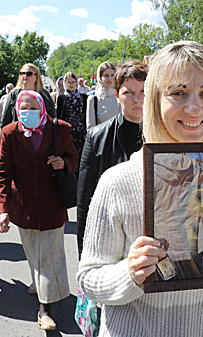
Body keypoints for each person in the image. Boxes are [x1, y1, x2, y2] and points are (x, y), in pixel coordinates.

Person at [77, 41, 203, 337]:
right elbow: (90, 278)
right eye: (178, 93)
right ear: (155, 100)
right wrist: (129, 274)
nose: (194, 108)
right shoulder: (118, 182)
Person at [0, 90, 78, 330]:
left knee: (49, 256)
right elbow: (2, 175)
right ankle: (38, 281)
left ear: (42, 107)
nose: (27, 112)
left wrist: (65, 163)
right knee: (34, 252)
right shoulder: (10, 133)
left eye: (33, 107)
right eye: (24, 108)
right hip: (24, 206)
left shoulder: (59, 128)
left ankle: (45, 310)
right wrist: (2, 209)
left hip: (53, 204)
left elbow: (73, 156)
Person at [77, 60, 146, 258]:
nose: (137, 99)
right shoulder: (97, 138)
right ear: (117, 96)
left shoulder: (166, 138)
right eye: (128, 92)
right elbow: (84, 202)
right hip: (110, 240)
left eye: (142, 91)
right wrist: (85, 259)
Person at [1, 63, 55, 129]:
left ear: (36, 77)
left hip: (41, 134)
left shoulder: (44, 94)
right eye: (22, 73)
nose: (25, 76)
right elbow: (5, 120)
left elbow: (53, 117)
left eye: (29, 74)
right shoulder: (14, 94)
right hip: (18, 134)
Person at [56, 72, 88, 161]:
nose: (71, 84)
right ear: (65, 83)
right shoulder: (62, 98)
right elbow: (59, 116)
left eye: (73, 82)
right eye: (69, 82)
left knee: (81, 157)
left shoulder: (83, 97)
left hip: (81, 132)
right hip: (67, 132)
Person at [86, 62, 121, 130]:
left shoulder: (120, 96)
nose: (110, 78)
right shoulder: (93, 99)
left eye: (112, 75)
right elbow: (90, 128)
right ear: (100, 77)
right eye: (106, 75)